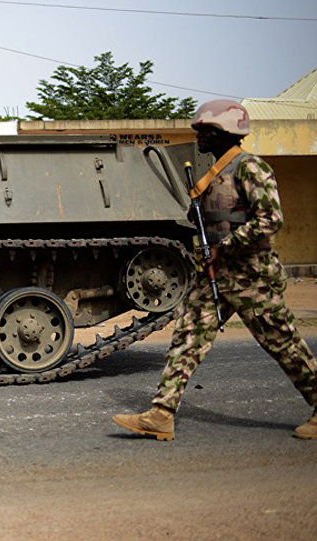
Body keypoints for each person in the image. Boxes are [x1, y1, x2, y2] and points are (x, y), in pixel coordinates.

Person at [112, 99, 317, 441]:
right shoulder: (212, 174)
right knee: (188, 337)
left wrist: (228, 246)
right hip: (216, 276)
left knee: (284, 345)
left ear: (224, 132)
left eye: (204, 129)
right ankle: (162, 414)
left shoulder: (250, 168)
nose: (199, 135)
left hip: (253, 277)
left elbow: (270, 220)